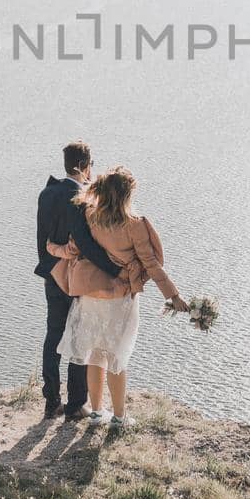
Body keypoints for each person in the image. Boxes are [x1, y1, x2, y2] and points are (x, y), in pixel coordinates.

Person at [52, 165, 188, 430]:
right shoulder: (133, 225)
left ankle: (95, 413)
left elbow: (79, 247)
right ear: (126, 195)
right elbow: (152, 265)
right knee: (116, 357)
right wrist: (173, 295)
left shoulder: (91, 216)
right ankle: (118, 417)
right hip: (118, 298)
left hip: (91, 295)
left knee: (94, 354)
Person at [34, 141, 124, 420]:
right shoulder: (80, 196)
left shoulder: (46, 193)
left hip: (51, 276)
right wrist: (113, 269)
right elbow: (85, 242)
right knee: (77, 341)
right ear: (84, 166)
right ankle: (75, 405)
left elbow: (41, 238)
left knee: (53, 337)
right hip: (77, 279)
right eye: (91, 165)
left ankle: (51, 401)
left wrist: (50, 263)